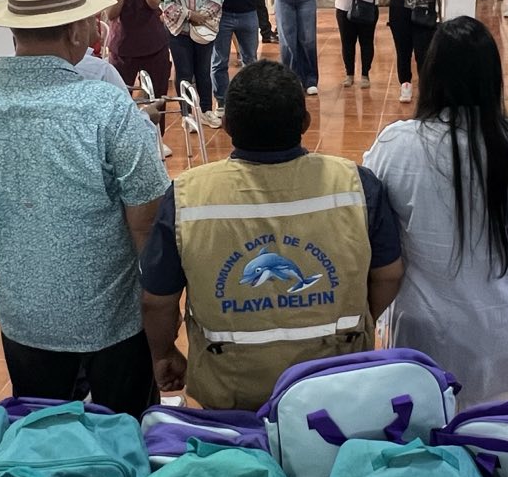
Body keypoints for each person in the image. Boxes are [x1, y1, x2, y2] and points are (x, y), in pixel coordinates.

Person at [0, 0, 170, 415]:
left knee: (44, 427)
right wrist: (160, 307)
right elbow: (145, 220)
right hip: (112, 318)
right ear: (76, 32)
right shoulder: (106, 106)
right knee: (124, 428)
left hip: (23, 315)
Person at [139, 60, 405, 409]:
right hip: (336, 384)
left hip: (229, 393)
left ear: (227, 126)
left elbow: (157, 301)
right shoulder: (356, 185)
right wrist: (356, 321)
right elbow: (389, 274)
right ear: (305, 123)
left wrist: (163, 353)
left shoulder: (187, 196)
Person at [365, 18, 508, 404]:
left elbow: (377, 225)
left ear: (430, 74)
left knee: (428, 428)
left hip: (424, 333)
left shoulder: (397, 145)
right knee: (496, 427)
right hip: (507, 327)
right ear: (493, 77)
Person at [156, 0, 225, 128]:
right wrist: (189, 15)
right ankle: (186, 114)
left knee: (203, 71)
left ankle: (206, 111)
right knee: (184, 72)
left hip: (203, 27)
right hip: (178, 31)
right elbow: (164, 1)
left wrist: (203, 14)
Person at [99, 0, 171, 123]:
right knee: (120, 100)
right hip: (123, 49)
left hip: (154, 46)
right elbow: (110, 14)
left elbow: (155, 3)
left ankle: (157, 137)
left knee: (157, 98)